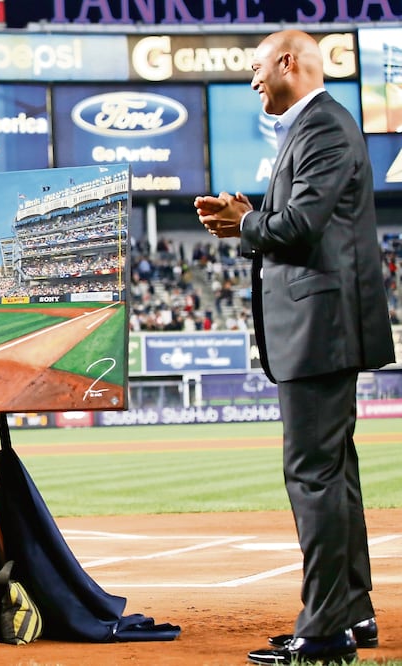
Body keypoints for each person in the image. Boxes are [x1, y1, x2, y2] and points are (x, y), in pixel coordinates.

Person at [194, 30, 395, 666]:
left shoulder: (325, 126)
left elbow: (302, 227)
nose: (253, 81)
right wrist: (254, 214)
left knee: (313, 476)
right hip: (322, 327)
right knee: (335, 476)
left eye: (257, 67)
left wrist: (242, 225)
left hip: (321, 329)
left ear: (288, 62)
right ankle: (352, 611)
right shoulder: (314, 129)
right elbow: (305, 219)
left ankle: (325, 628)